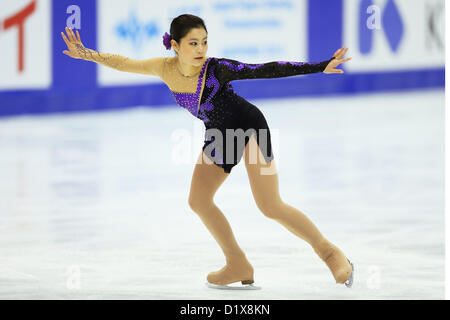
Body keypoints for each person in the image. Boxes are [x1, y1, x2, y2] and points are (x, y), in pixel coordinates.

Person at [61, 13, 354, 290]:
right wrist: (85, 53)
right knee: (199, 201)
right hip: (219, 135)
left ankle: (329, 253)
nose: (200, 48)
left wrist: (319, 66)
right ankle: (237, 263)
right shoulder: (163, 68)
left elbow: (265, 69)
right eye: (193, 43)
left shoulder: (217, 68)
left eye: (204, 42)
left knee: (269, 205)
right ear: (175, 46)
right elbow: (124, 62)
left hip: (250, 127)